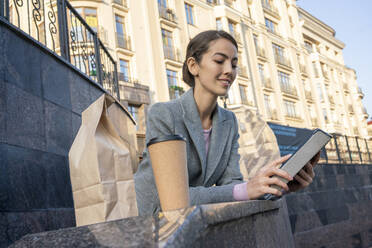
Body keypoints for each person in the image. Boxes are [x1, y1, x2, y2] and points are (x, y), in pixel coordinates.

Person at [134, 30, 319, 216]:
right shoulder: (164, 114)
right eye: (219, 61)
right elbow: (172, 199)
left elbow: (231, 185)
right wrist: (247, 189)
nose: (229, 70)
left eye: (234, 63)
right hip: (149, 224)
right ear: (193, 66)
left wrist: (276, 187)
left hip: (192, 221)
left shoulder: (228, 121)